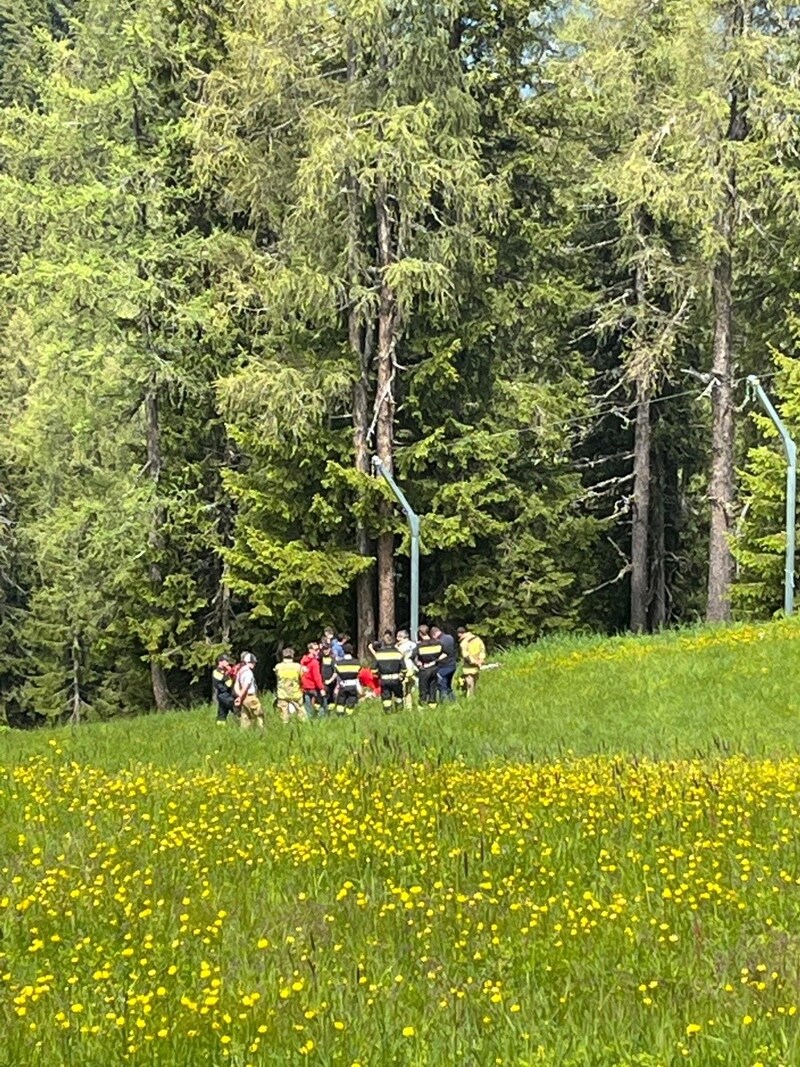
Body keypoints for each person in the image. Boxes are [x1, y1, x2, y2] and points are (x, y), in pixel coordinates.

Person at [369, 632, 406, 714]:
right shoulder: (398, 654)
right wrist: (402, 676)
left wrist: (378, 676)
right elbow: (404, 668)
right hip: (396, 679)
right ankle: (399, 712)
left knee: (386, 698)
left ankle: (388, 713)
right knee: (398, 696)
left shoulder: (379, 655)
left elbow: (373, 669)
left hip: (384, 679)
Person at [415, 626, 444, 709]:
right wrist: (436, 660)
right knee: (433, 688)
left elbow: (413, 656)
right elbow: (443, 653)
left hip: (424, 669)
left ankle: (422, 705)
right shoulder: (438, 643)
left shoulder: (420, 645)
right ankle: (432, 705)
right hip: (434, 667)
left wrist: (418, 663)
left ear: (420, 634)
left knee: (423, 688)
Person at [275, 648, 306, 724]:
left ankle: (285, 726)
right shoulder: (297, 666)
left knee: (283, 713)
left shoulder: (278, 666)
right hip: (295, 693)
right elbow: (302, 677)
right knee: (301, 712)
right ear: (292, 656)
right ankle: (302, 726)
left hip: (282, 693)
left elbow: (277, 676)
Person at [234, 651, 264, 730]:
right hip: (250, 697)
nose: (254, 664)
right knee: (259, 714)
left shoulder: (240, 671)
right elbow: (246, 686)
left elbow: (236, 685)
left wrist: (239, 696)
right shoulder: (248, 672)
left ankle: (244, 733)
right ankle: (261, 731)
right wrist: (240, 697)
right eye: (253, 662)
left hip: (244, 698)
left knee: (245, 717)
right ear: (248, 662)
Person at [458, 626, 487, 697]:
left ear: (459, 634)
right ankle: (473, 694)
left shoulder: (464, 643)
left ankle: (470, 696)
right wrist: (481, 659)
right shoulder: (477, 639)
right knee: (475, 678)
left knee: (469, 680)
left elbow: (465, 655)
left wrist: (473, 661)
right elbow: (482, 649)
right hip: (478, 661)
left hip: (469, 664)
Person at [300, 642, 327, 719]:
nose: (318, 651)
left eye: (319, 649)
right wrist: (321, 688)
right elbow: (317, 677)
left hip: (305, 687)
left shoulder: (303, 661)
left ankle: (309, 720)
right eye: (316, 649)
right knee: (323, 703)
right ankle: (321, 719)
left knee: (308, 706)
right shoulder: (314, 662)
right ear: (310, 650)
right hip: (313, 687)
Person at [333, 643, 361, 716]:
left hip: (343, 685)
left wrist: (337, 687)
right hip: (353, 685)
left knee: (341, 702)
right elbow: (357, 676)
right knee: (351, 701)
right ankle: (349, 714)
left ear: (343, 651)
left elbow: (338, 676)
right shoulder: (357, 663)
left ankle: (339, 716)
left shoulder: (338, 664)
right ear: (352, 651)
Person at [431, 625, 457, 702]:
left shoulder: (440, 641)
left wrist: (434, 660)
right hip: (452, 665)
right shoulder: (450, 637)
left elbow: (444, 654)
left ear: (434, 634)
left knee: (441, 684)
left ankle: (443, 702)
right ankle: (453, 701)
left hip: (444, 665)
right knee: (448, 685)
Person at [396, 629, 417, 708]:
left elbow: (399, 657)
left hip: (405, 668)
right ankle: (409, 705)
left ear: (401, 637)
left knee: (403, 688)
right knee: (409, 689)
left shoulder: (401, 647)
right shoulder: (413, 644)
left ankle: (404, 705)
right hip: (413, 667)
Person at [212, 654, 236, 725]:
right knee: (235, 708)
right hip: (223, 695)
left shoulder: (226, 670)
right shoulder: (216, 672)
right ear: (220, 662)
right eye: (226, 661)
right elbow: (223, 682)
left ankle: (221, 726)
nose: (227, 663)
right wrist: (229, 675)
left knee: (222, 712)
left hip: (229, 693)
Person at [320, 641, 338, 707]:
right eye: (324, 649)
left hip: (331, 683)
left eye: (327, 649)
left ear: (330, 649)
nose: (325, 651)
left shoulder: (332, 659)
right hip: (322, 682)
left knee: (331, 698)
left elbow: (336, 672)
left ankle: (330, 712)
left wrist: (330, 680)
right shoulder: (320, 659)